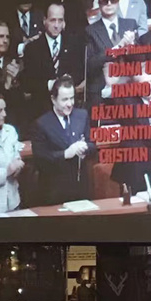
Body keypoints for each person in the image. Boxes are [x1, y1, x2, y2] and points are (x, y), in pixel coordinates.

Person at [32, 75, 94, 205]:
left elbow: (93, 144)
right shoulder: (42, 124)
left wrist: (85, 148)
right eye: (65, 99)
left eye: (72, 98)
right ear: (53, 100)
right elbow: (40, 159)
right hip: (54, 192)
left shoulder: (82, 115)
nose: (70, 104)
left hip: (80, 188)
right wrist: (66, 154)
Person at [22, 2, 84, 124]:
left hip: (69, 109)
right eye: (52, 20)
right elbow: (28, 82)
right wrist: (51, 84)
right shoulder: (32, 48)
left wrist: (70, 79)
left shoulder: (73, 43)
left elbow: (80, 71)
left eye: (60, 20)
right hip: (42, 111)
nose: (56, 25)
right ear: (44, 20)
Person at [86, 0, 140, 104]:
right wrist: (118, 47)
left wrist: (131, 46)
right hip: (102, 90)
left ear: (118, 1)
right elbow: (90, 63)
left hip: (129, 87)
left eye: (113, 0)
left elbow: (141, 58)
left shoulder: (130, 24)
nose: (109, 4)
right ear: (99, 4)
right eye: (105, 1)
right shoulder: (90, 30)